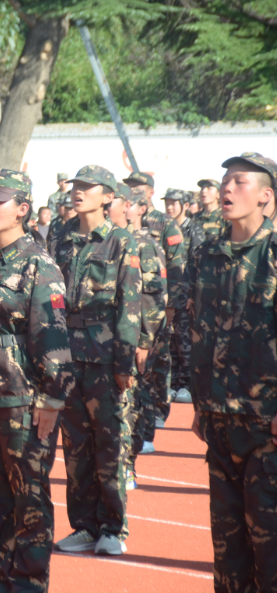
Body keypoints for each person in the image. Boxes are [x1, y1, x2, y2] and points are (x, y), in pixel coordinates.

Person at [0, 169, 73, 593]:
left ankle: (28, 584)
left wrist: (52, 399)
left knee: (30, 500)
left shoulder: (40, 266)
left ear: (22, 210)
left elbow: (54, 336)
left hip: (24, 400)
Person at [189, 151, 277, 593]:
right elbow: (198, 330)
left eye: (239, 182)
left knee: (271, 550)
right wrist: (200, 404)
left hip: (267, 427)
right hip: (220, 421)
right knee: (228, 554)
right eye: (225, 181)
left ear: (267, 197)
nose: (226, 188)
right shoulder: (208, 253)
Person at [51, 165, 141, 556]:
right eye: (75, 187)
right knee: (75, 446)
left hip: (104, 356)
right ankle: (85, 525)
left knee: (109, 442)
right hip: (68, 352)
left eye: (87, 187)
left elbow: (130, 305)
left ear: (108, 196)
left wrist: (125, 363)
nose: (77, 192)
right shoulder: (63, 238)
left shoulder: (121, 242)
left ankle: (113, 527)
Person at [108, 183, 167, 491]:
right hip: (100, 338)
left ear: (130, 206)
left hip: (133, 337)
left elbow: (154, 296)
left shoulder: (144, 244)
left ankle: (127, 464)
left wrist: (144, 341)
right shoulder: (102, 240)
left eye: (117, 200)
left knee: (129, 402)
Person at [123, 172, 184, 428]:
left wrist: (173, 304)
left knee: (159, 357)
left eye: (138, 189)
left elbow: (177, 262)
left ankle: (159, 409)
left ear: (149, 192)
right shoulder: (121, 226)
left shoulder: (164, 222)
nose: (132, 193)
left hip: (158, 298)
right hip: (134, 301)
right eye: (129, 189)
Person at [161, 189, 203, 405]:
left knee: (184, 340)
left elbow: (197, 264)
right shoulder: (163, 228)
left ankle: (186, 384)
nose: (169, 207)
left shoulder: (193, 230)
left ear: (185, 206)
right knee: (168, 341)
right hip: (166, 294)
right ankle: (172, 383)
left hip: (185, 296)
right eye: (167, 202)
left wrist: (192, 293)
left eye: (174, 203)